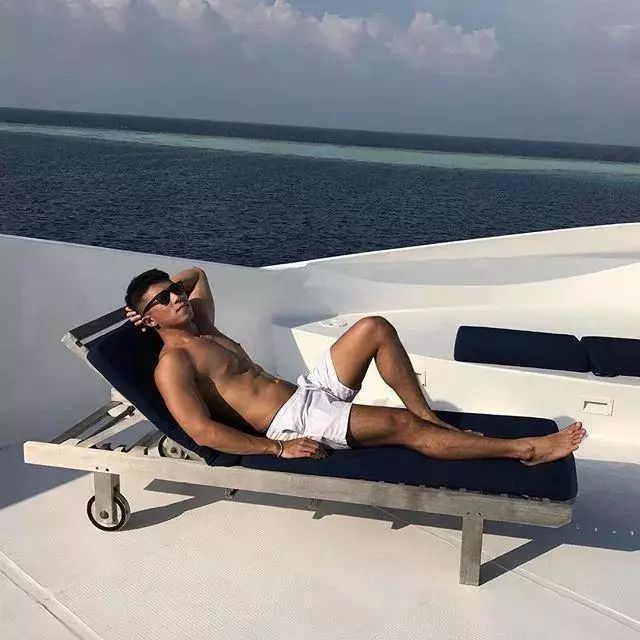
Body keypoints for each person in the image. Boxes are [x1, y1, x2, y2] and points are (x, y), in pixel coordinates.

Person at [124, 266, 586, 464]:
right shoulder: (174, 363)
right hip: (292, 422)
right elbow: (202, 432)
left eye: (174, 291)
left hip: (306, 391)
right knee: (402, 426)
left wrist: (158, 296)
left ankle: (430, 417)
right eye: (163, 300)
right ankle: (524, 450)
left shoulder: (202, 325)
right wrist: (277, 449)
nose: (177, 297)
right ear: (147, 319)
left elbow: (198, 274)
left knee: (374, 328)